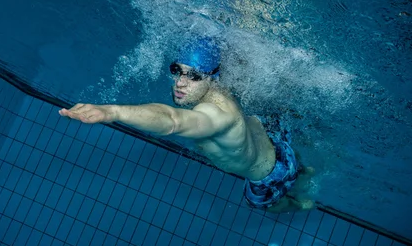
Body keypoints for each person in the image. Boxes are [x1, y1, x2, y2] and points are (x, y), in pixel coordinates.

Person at [59, 37, 314, 213]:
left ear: (212, 78)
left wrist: (112, 111)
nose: (181, 82)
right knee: (295, 160)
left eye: (193, 76)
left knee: (261, 205)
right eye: (177, 70)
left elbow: (173, 121)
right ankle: (305, 170)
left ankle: (303, 204)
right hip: (272, 138)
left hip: (269, 174)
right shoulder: (221, 86)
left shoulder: (216, 114)